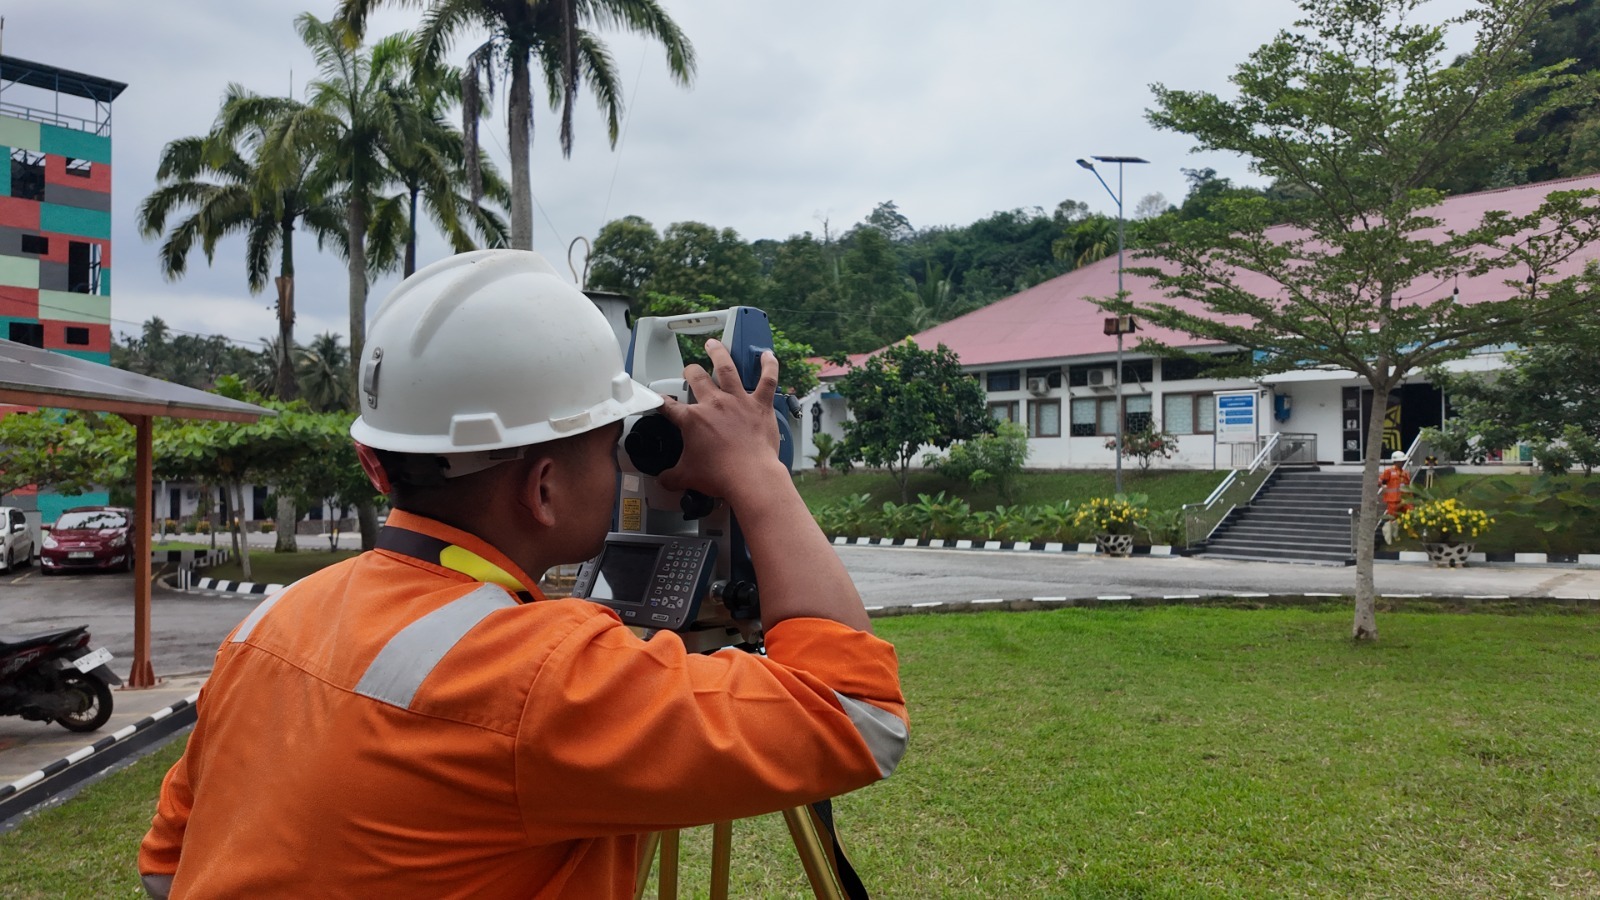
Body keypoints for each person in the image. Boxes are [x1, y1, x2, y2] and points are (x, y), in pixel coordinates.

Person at [138, 250, 907, 898]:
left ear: (382, 462)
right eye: (609, 449)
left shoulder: (271, 623)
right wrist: (755, 469)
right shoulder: (538, 676)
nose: (620, 471)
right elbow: (860, 716)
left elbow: (167, 866)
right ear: (542, 489)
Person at [1379, 450, 1413, 543]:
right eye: (1401, 461)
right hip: (1393, 500)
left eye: (1403, 461)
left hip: (1405, 500)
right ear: (1396, 461)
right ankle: (1393, 536)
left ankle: (1411, 533)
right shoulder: (1388, 471)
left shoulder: (1405, 473)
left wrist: (1410, 498)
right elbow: (1380, 480)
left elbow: (1408, 486)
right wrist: (1383, 486)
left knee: (1410, 514)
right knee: (1393, 518)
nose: (1402, 462)